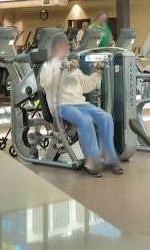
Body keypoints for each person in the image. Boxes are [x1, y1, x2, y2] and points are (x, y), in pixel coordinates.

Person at [39, 33, 122, 177]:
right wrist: (63, 69)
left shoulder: (73, 66)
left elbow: (86, 86)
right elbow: (46, 84)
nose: (67, 49)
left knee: (106, 118)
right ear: (55, 48)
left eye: (67, 46)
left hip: (81, 104)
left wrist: (97, 73)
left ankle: (109, 157)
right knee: (85, 120)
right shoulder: (48, 66)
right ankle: (91, 161)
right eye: (63, 46)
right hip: (61, 105)